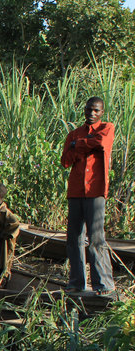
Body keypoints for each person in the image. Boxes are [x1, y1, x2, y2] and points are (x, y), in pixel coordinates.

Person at [61, 96, 115, 295]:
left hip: (96, 190)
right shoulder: (73, 133)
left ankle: (103, 284)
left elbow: (101, 143)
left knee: (96, 238)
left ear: (102, 112)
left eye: (96, 110)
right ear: (84, 110)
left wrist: (79, 145)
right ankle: (76, 283)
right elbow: (65, 161)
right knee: (73, 238)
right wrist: (82, 145)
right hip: (75, 190)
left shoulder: (107, 128)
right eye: (89, 110)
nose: (92, 114)